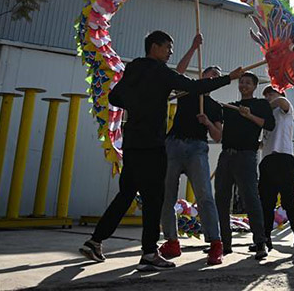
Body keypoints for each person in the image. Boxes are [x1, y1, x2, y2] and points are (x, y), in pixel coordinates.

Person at [78, 31, 241, 271]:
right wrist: (229, 78)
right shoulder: (160, 72)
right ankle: (149, 253)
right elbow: (192, 86)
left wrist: (141, 102)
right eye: (167, 48)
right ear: (154, 47)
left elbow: (115, 97)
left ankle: (95, 240)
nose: (170, 52)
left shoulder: (134, 68)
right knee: (155, 199)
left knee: (125, 195)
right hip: (153, 145)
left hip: (132, 142)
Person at [159, 54, 225, 265]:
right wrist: (194, 47)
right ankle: (172, 241)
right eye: (210, 74)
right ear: (201, 75)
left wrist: (207, 123)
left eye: (217, 77)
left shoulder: (215, 107)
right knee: (166, 195)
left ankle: (215, 244)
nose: (212, 78)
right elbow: (177, 73)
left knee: (205, 195)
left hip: (197, 148)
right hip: (174, 144)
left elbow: (218, 136)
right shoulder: (187, 92)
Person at [215, 72, 274, 260]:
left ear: (255, 86)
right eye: (241, 82)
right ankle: (224, 244)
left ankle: (260, 243)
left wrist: (249, 116)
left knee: (251, 199)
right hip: (226, 156)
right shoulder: (231, 107)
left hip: (246, 156)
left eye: (248, 82)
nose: (243, 85)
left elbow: (269, 125)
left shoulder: (260, 105)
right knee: (222, 200)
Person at [258, 84, 294, 255]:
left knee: (288, 201)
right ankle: (265, 238)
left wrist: (266, 104)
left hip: (283, 158)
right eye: (265, 96)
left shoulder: (284, 109)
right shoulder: (266, 117)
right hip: (267, 160)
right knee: (266, 202)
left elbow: (280, 101)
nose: (268, 98)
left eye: (270, 94)